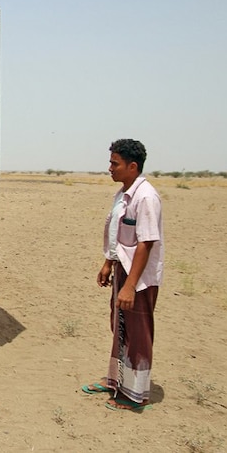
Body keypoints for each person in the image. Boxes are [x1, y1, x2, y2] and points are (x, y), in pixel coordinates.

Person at [82, 139, 164, 412]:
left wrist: (130, 286)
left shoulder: (146, 197)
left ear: (132, 166)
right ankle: (117, 380)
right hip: (122, 271)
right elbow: (120, 236)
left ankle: (136, 395)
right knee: (120, 327)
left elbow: (146, 242)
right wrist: (108, 263)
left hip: (138, 278)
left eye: (115, 163)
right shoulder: (123, 194)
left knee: (138, 333)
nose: (110, 168)